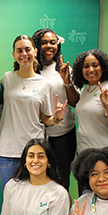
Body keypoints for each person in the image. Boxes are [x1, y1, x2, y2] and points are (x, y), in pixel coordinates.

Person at [0, 35, 67, 190]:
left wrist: (56, 118)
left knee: (34, 198)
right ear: (14, 55)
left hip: (35, 151)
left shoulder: (44, 84)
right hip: (9, 150)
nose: (24, 54)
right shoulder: (7, 79)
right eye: (19, 50)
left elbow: (45, 119)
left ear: (35, 51)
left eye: (28, 49)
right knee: (10, 199)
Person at [32, 28, 77, 191]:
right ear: (36, 45)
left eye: (52, 42)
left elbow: (74, 102)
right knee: (38, 178)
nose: (49, 46)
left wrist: (67, 82)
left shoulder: (64, 70)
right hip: (37, 133)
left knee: (61, 178)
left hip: (63, 134)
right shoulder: (29, 70)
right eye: (44, 43)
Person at [69, 49, 108, 154]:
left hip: (106, 153)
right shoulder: (85, 90)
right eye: (86, 66)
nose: (91, 70)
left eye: (95, 65)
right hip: (84, 152)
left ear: (103, 67)